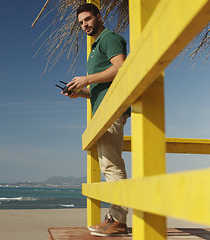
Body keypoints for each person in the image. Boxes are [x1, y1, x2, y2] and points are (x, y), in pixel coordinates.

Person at [62, 3, 131, 237]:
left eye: (88, 19)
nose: (85, 25)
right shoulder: (96, 47)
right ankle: (114, 217)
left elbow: (121, 68)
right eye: (81, 23)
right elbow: (99, 89)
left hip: (112, 111)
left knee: (112, 165)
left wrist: (86, 79)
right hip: (103, 111)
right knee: (108, 165)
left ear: (99, 17)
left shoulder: (109, 38)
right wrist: (79, 91)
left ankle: (118, 220)